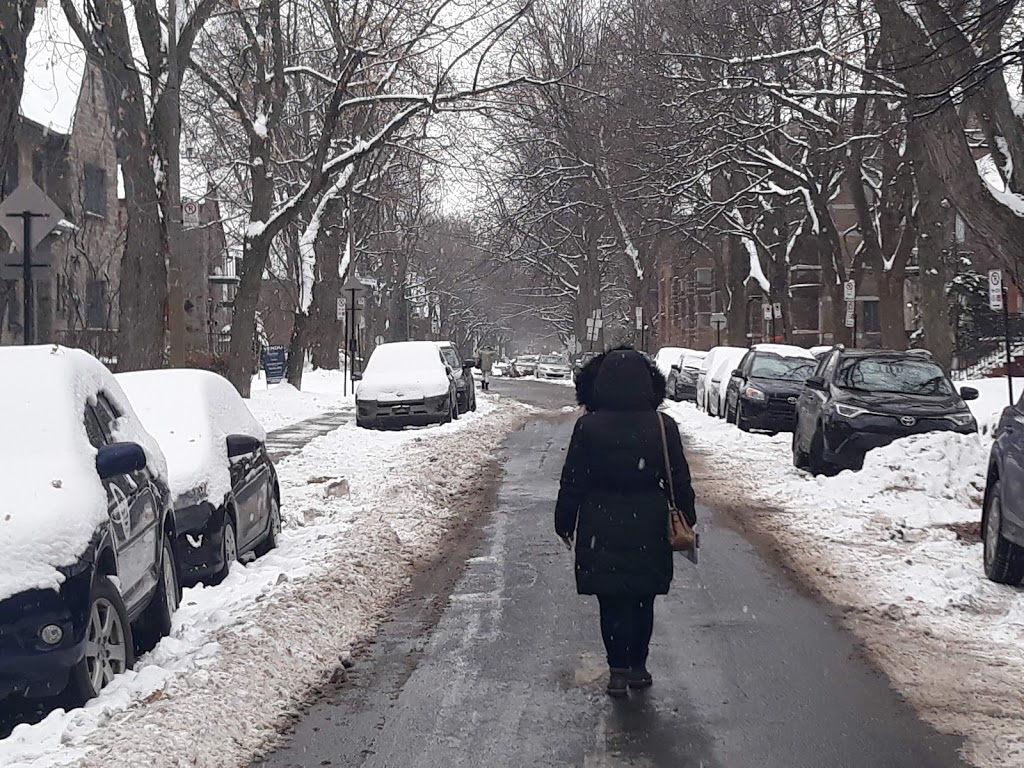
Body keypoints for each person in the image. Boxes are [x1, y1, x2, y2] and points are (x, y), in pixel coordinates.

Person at [554, 347, 697, 698]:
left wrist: (565, 519)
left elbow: (573, 479)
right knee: (642, 599)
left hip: (599, 520)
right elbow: (679, 478)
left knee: (611, 600)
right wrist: (687, 518)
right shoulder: (662, 426)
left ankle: (617, 668)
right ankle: (638, 665)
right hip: (649, 519)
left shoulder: (587, 427)